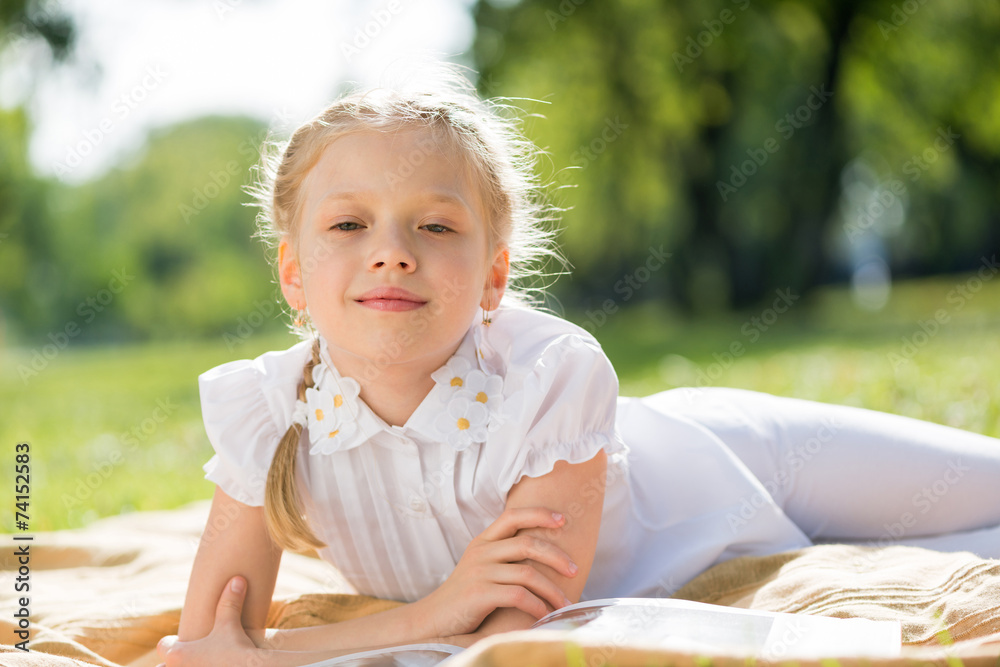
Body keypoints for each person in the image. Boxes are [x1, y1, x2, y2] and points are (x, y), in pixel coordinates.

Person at [156, 67, 1000, 666]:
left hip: (747, 457)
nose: (392, 255)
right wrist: (430, 615)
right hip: (697, 564)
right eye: (348, 226)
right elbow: (210, 643)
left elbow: (508, 621)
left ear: (494, 276)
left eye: (436, 226)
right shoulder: (269, 413)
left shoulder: (551, 374)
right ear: (293, 274)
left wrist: (302, 648)